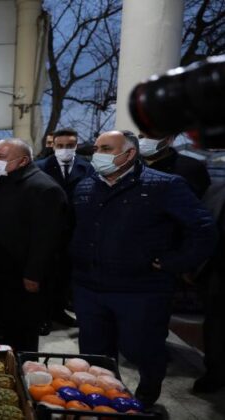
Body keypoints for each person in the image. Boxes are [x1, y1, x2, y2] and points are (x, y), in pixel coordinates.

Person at [71, 130, 217, 407]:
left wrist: (176, 262)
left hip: (141, 290)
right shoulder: (86, 185)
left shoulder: (164, 185)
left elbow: (203, 228)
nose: (97, 155)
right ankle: (102, 401)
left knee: (142, 350)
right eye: (97, 149)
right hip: (89, 287)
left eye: (106, 149)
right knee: (94, 354)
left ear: (129, 154)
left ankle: (146, 399)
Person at [0, 139, 67, 350]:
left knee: (18, 332)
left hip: (18, 274)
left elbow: (46, 238)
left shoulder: (44, 189)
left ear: (23, 161)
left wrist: (33, 274)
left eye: (1, 157)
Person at [36, 128, 95, 331]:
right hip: (47, 230)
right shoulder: (40, 167)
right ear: (52, 146)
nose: (65, 149)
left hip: (75, 231)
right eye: (60, 146)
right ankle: (42, 315)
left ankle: (58, 311)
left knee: (65, 276)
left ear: (76, 145)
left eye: (70, 146)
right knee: (45, 275)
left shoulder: (87, 168)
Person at [193, 181, 225, 393]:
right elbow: (200, 228)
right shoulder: (217, 189)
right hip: (218, 274)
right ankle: (216, 372)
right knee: (217, 326)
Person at [138, 133, 211, 198]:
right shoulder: (134, 167)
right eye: (141, 137)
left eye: (151, 137)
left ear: (168, 139)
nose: (144, 141)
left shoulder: (191, 168)